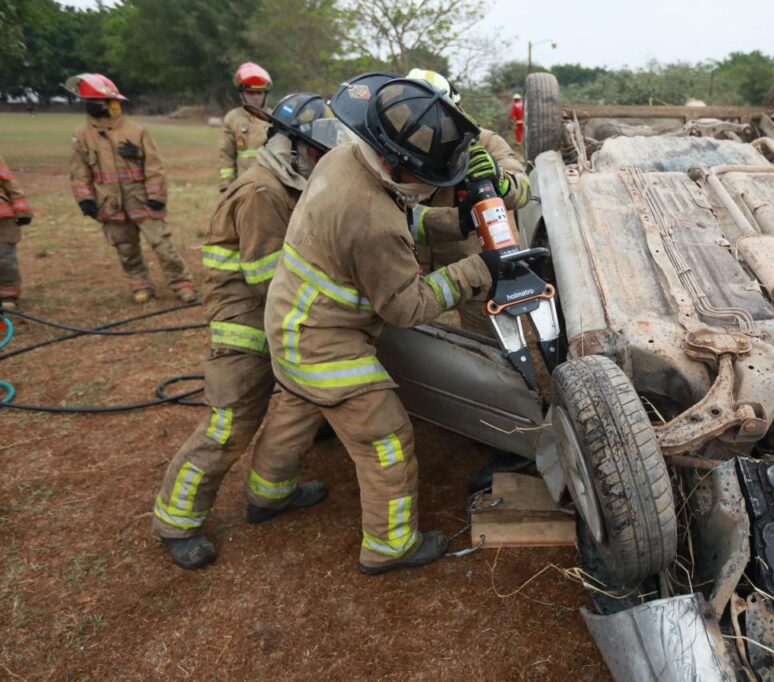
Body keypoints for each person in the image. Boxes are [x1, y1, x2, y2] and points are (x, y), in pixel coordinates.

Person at [247, 75, 498, 575]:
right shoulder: (370, 219)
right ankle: (390, 545)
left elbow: (397, 216)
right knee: (386, 438)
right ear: (398, 163)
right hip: (325, 343)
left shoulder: (345, 159)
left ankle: (267, 495)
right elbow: (405, 306)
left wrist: (458, 223)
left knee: (298, 407)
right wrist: (478, 269)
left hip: (289, 322)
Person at [153, 94, 343, 570]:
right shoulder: (262, 193)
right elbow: (268, 278)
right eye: (319, 152)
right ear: (294, 146)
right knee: (228, 425)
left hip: (272, 317)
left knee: (298, 406)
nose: (323, 162)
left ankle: (273, 495)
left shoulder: (286, 183)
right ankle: (177, 523)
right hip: (244, 327)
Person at [405, 69, 531, 337]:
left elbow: (523, 190)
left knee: (493, 347)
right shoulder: (400, 144)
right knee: (412, 344)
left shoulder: (484, 142)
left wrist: (500, 180)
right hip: (414, 265)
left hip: (478, 265)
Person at [66, 73, 196, 304]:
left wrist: (156, 195)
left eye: (98, 102)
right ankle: (140, 285)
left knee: (163, 245)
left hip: (142, 200)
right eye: (90, 102)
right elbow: (80, 172)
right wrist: (85, 199)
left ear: (111, 103)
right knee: (126, 249)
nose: (93, 107)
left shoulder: (136, 131)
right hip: (111, 204)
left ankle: (182, 284)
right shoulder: (82, 136)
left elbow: (154, 165)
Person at [219, 63, 273, 192]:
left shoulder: (275, 118)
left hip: (271, 186)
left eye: (259, 93)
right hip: (242, 186)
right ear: (241, 94)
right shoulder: (232, 119)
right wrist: (227, 185)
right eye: (250, 93)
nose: (255, 98)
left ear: (265, 94)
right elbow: (226, 154)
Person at [0, 151, 32, 309]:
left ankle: (7, 297)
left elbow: (9, 182)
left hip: (2, 220)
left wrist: (22, 210)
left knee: (4, 259)